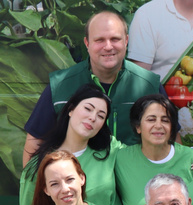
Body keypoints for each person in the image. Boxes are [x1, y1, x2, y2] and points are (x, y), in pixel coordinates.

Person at [23, 10, 163, 159]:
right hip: (77, 179)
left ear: (126, 41)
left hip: (135, 178)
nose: (108, 46)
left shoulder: (149, 85)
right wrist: (33, 182)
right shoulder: (61, 86)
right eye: (99, 40)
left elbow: (171, 139)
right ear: (87, 43)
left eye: (115, 39)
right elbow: (35, 142)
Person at [17, 85, 124, 205]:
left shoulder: (110, 150)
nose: (92, 117)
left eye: (101, 116)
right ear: (71, 109)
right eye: (88, 109)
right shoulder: (39, 164)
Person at [115, 94, 193, 205]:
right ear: (138, 127)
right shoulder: (121, 159)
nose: (158, 125)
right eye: (151, 119)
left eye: (165, 120)